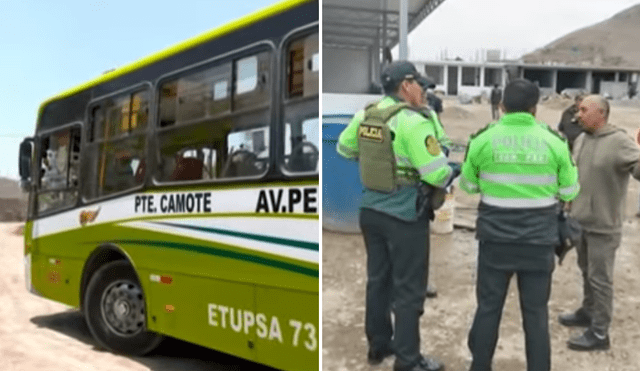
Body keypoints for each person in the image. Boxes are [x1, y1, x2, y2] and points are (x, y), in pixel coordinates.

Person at [337, 61, 459, 371]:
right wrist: (451, 171)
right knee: (408, 289)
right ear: (406, 85)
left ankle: (379, 346)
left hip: (370, 211)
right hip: (405, 215)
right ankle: (408, 360)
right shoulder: (412, 122)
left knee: (378, 281)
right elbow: (435, 174)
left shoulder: (367, 115)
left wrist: (378, 162)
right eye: (420, 84)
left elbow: (344, 149)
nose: (424, 90)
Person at [459, 78, 580, 371]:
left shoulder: (482, 139)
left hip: (494, 243)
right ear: (535, 108)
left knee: (488, 309)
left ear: (501, 106)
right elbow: (569, 191)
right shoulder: (554, 141)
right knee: (536, 315)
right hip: (538, 243)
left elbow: (468, 186)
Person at [558, 94, 640, 350]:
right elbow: (575, 175)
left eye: (583, 110)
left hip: (605, 225)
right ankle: (588, 311)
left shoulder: (619, 141)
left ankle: (600, 333)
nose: (577, 115)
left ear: (601, 114)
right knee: (586, 271)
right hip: (581, 221)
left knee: (600, 279)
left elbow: (637, 168)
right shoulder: (581, 139)